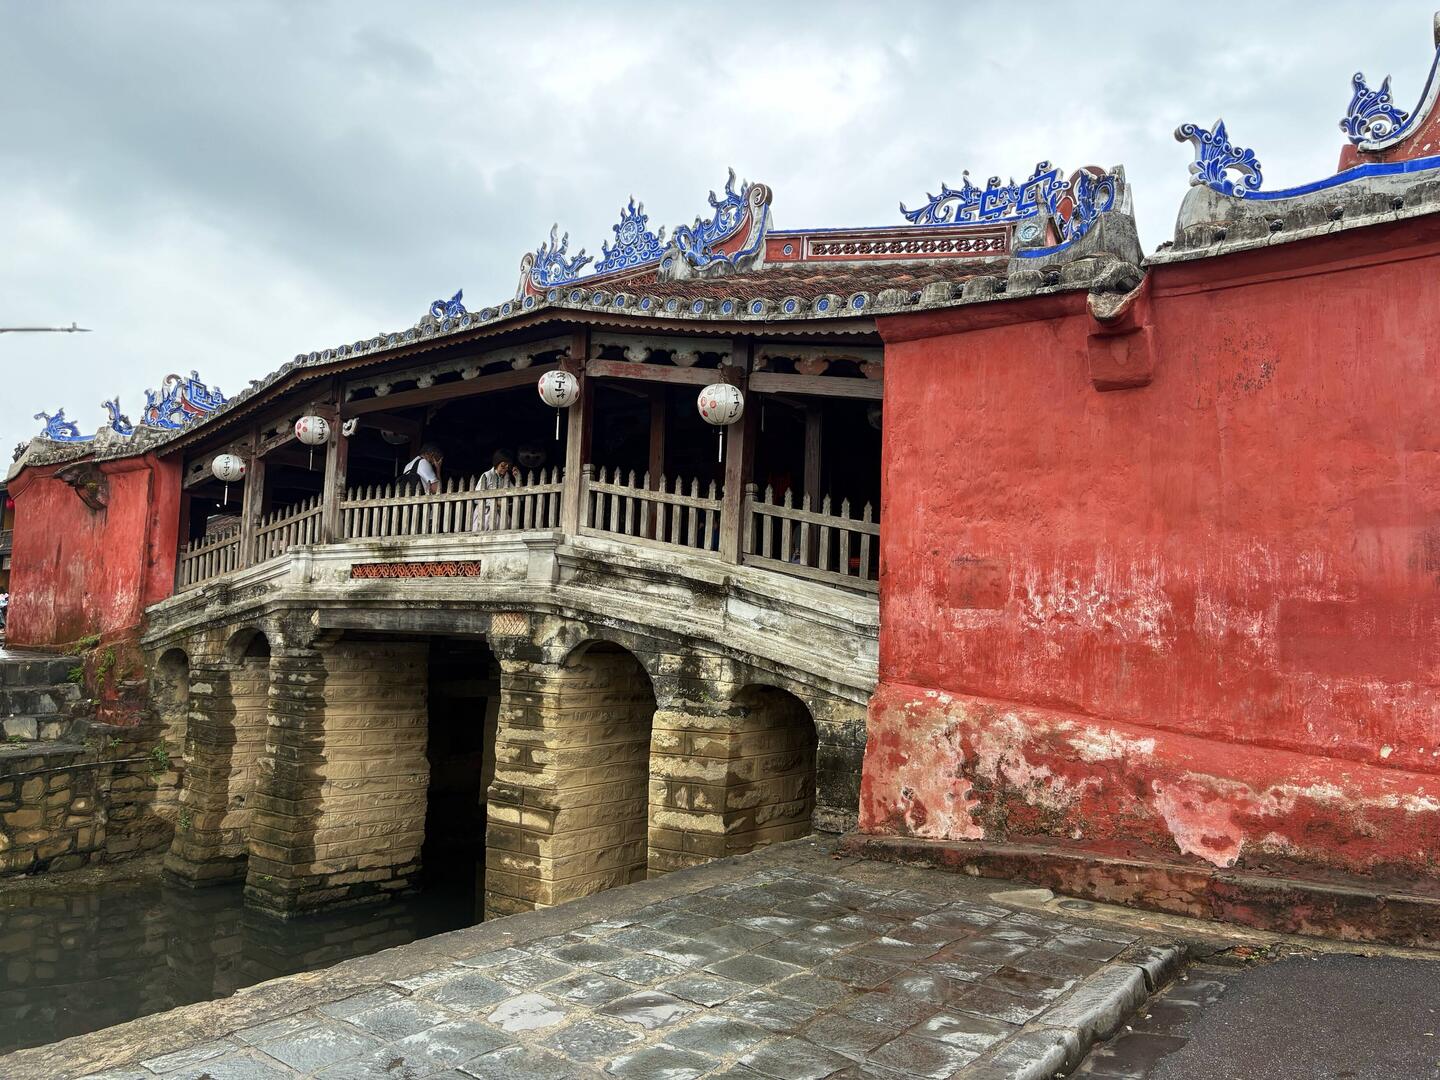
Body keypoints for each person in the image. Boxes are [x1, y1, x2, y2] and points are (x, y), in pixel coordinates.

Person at [472, 449, 515, 531]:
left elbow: (517, 494)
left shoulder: (506, 479)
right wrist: (495, 503)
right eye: (503, 466)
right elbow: (476, 498)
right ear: (496, 464)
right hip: (485, 515)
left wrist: (516, 477)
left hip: (500, 516)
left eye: (507, 466)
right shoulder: (487, 475)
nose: (505, 469)